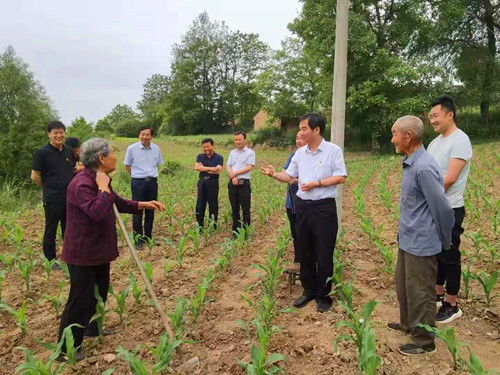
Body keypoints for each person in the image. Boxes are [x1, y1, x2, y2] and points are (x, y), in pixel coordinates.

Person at [57, 138, 164, 361]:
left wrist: (144, 204)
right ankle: (66, 349)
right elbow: (96, 211)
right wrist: (104, 188)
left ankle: (92, 329)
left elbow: (115, 202)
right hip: (83, 252)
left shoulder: (98, 178)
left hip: (98, 250)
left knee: (99, 291)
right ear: (101, 157)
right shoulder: (82, 184)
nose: (116, 156)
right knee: (80, 298)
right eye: (113, 153)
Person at [261, 113, 347, 312]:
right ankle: (308, 291)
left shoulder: (333, 151)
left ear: (316, 130)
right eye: (300, 129)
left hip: (323, 208)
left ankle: (323, 295)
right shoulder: (300, 154)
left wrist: (317, 183)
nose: (300, 132)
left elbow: (341, 177)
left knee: (324, 252)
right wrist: (274, 174)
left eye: (303, 129)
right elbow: (289, 175)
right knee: (305, 251)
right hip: (303, 206)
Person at [387, 115, 454, 355]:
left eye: (395, 133)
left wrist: (445, 240)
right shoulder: (412, 163)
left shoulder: (423, 167)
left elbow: (443, 208)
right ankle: (409, 325)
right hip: (408, 239)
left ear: (408, 136)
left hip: (422, 243)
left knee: (421, 292)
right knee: (404, 286)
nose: (392, 138)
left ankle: (424, 340)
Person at [427, 96, 472, 323]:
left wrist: (425, 193)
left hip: (449, 207)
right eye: (430, 117)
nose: (432, 120)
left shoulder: (460, 140)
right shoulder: (435, 143)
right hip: (433, 206)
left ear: (449, 114)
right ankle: (437, 292)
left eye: (435, 115)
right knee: (437, 253)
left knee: (450, 254)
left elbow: (450, 178)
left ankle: (452, 303)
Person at [31, 121, 75, 265]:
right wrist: (49, 187)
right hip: (52, 198)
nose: (58, 135)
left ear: (64, 133)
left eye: (61, 132)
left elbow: (74, 170)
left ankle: (69, 255)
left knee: (68, 227)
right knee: (51, 228)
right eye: (55, 132)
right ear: (49, 134)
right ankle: (51, 259)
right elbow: (35, 176)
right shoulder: (41, 153)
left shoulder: (69, 151)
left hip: (69, 197)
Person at [124, 126, 164, 249]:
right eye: (142, 134)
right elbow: (127, 165)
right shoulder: (132, 148)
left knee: (151, 209)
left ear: (151, 136)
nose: (145, 137)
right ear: (139, 135)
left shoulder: (156, 148)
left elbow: (158, 164)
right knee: (137, 210)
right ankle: (138, 239)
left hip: (152, 182)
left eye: (147, 135)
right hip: (138, 183)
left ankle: (148, 236)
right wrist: (137, 177)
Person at [283, 132, 306, 270]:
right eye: (296, 138)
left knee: (307, 232)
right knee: (295, 232)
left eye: (301, 138)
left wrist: (297, 179)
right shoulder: (293, 156)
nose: (298, 141)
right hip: (292, 202)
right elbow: (286, 175)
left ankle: (309, 260)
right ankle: (298, 259)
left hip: (308, 203)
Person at [227, 131, 255, 236]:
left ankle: (246, 232)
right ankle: (236, 232)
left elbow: (249, 167)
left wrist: (235, 174)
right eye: (236, 140)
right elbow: (228, 166)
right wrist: (233, 176)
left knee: (245, 209)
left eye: (239, 139)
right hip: (232, 183)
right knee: (234, 209)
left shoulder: (250, 153)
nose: (237, 141)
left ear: (245, 140)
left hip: (244, 184)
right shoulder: (232, 152)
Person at [194, 138, 223, 229]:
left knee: (213, 204)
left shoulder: (219, 157)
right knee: (200, 204)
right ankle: (200, 226)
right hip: (202, 182)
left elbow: (218, 171)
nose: (206, 148)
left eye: (208, 146)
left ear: (213, 146)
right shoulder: (200, 156)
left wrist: (204, 168)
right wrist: (211, 169)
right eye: (204, 147)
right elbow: (197, 168)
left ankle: (213, 226)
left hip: (213, 182)